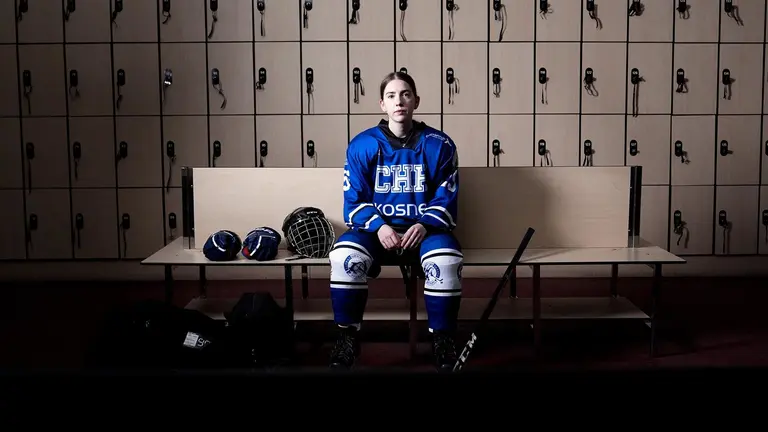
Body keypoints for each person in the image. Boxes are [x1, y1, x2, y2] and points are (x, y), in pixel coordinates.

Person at [328, 71, 463, 371]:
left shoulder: (440, 144)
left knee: (445, 260)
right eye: (391, 96)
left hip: (425, 230)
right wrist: (380, 226)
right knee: (343, 256)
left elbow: (447, 195)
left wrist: (424, 224)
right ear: (382, 104)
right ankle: (347, 337)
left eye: (405, 94)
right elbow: (354, 201)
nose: (399, 101)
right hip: (377, 231)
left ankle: (442, 339)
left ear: (416, 101)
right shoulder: (362, 144)